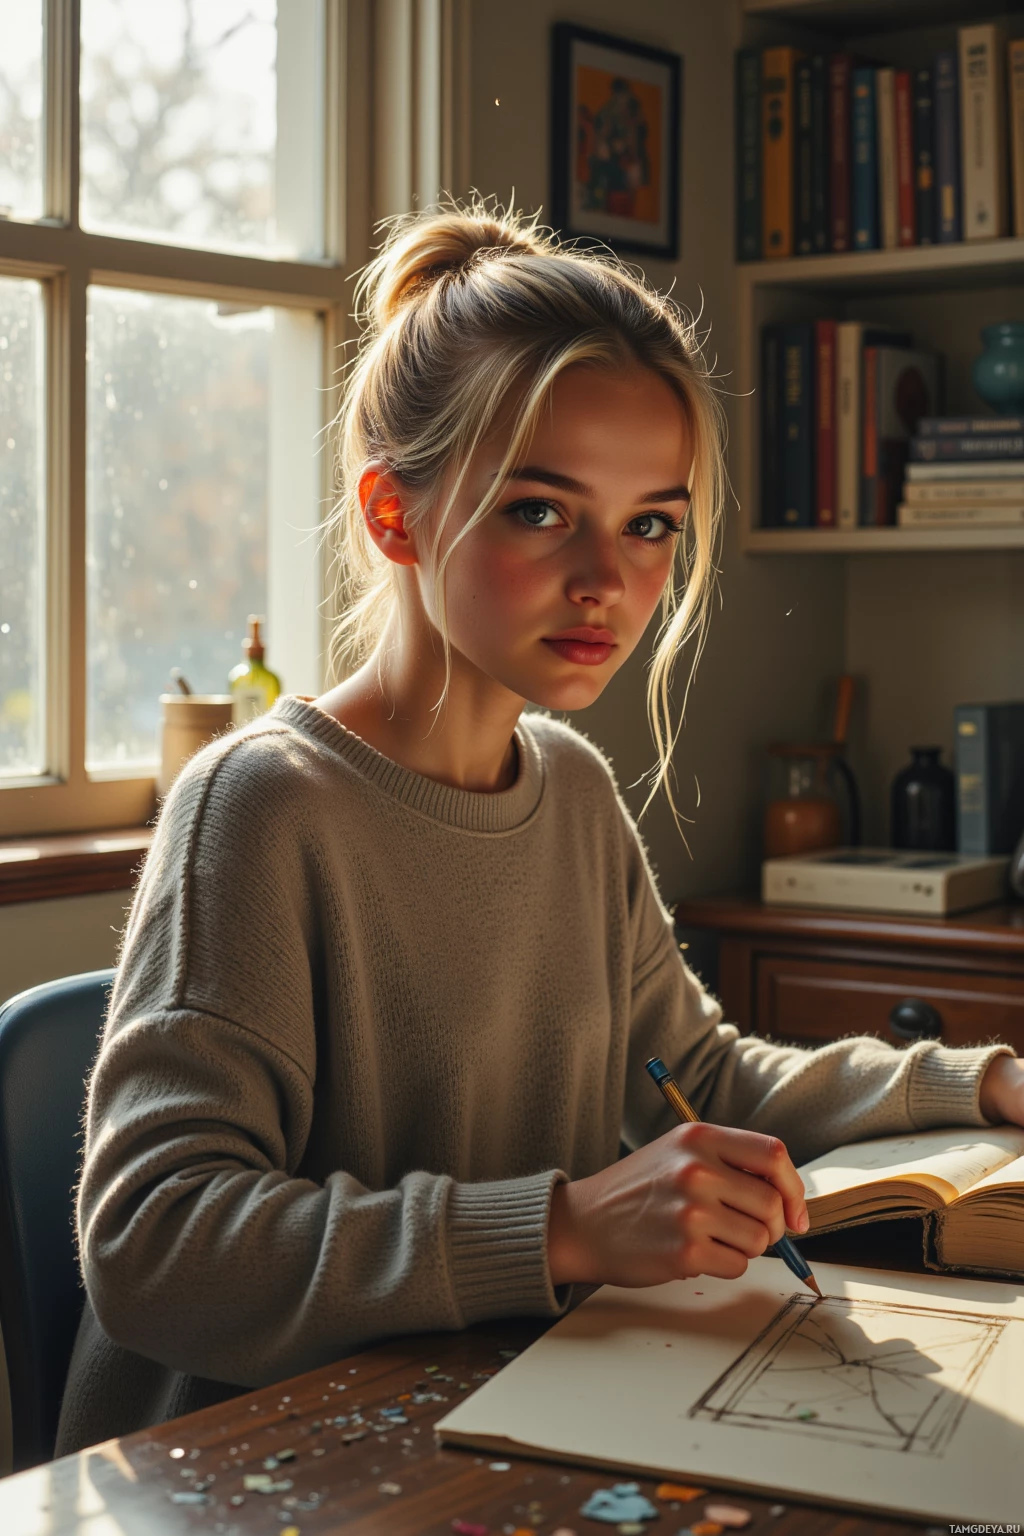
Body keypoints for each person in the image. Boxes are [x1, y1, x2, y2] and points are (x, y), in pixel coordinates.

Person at [56, 200, 1024, 1455]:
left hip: (498, 1416)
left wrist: (981, 1078)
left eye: (650, 525)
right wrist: (562, 1228)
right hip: (251, 1463)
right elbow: (155, 1247)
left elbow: (703, 1080)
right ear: (392, 517)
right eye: (540, 509)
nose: (607, 583)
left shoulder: (567, 790)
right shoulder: (260, 808)